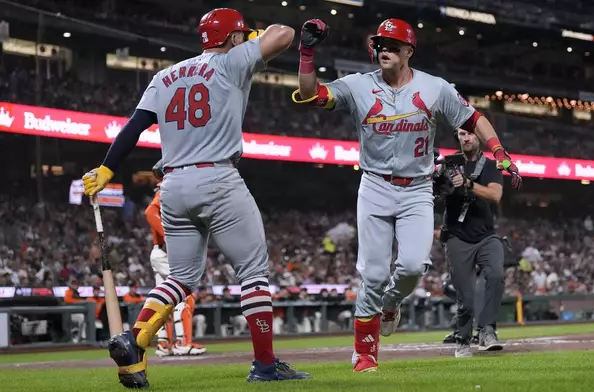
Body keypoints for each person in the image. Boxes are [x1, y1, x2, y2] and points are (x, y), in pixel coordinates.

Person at [82, 8, 310, 388]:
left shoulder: (164, 75)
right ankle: (265, 365)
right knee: (253, 273)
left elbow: (134, 128)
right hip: (218, 177)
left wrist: (107, 169)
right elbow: (284, 33)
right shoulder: (233, 59)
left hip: (172, 187)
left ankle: (134, 339)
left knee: (181, 278)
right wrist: (251, 40)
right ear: (232, 38)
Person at [291, 18, 522, 373]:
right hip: (375, 185)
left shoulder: (435, 88)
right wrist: (307, 52)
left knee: (413, 266)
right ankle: (365, 353)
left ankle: (390, 303)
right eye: (380, 44)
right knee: (372, 273)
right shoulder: (357, 85)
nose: (384, 50)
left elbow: (474, 118)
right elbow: (310, 94)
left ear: (409, 51)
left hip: (416, 189)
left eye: (393, 45)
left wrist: (500, 151)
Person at [439, 128, 515, 357]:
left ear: (479, 137)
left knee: (495, 275)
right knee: (467, 297)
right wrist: (438, 183)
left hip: (486, 235)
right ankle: (462, 337)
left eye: (470, 134)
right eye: (462, 134)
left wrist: (467, 184)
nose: (466, 138)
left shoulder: (491, 166)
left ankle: (487, 330)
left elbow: (495, 195)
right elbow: (434, 193)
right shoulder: (447, 164)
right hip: (457, 237)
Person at [145, 160, 206, 357]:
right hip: (166, 253)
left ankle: (164, 343)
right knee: (185, 293)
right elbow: (150, 212)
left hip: (160, 252)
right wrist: (169, 235)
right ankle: (183, 342)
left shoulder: (168, 188)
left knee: (165, 299)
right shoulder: (168, 188)